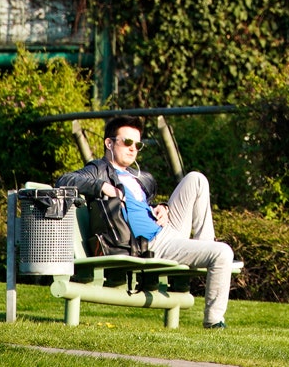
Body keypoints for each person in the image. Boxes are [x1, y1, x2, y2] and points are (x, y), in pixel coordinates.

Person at [58, 115, 236, 328]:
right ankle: (214, 321)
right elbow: (64, 180)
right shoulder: (99, 170)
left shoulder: (137, 177)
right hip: (151, 243)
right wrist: (102, 187)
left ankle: (203, 246)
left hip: (166, 228)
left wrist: (163, 207)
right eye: (127, 142)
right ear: (109, 143)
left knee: (196, 179)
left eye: (138, 144)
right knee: (223, 252)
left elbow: (142, 207)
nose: (133, 148)